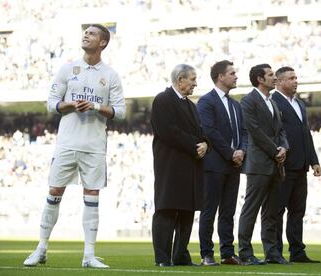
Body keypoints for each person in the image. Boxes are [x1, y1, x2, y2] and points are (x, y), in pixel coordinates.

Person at [23, 24, 126, 268]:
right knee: (54, 192)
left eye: (91, 33)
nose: (85, 35)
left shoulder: (110, 75)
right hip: (67, 143)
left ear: (102, 42)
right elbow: (51, 104)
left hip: (94, 145)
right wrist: (70, 104)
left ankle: (89, 256)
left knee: (92, 195)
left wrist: (96, 107)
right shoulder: (67, 68)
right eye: (85, 32)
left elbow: (120, 112)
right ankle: (41, 249)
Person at [150, 64, 209, 267]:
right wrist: (195, 146)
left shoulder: (191, 105)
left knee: (187, 210)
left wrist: (205, 144)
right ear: (180, 79)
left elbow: (201, 131)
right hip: (170, 165)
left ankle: (181, 254)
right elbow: (168, 131)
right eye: (192, 79)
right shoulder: (162, 100)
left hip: (191, 165)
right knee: (167, 209)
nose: (195, 83)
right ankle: (162, 257)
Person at [197, 60, 248, 266]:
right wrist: (230, 152)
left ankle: (227, 253)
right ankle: (207, 254)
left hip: (234, 165)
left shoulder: (236, 104)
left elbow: (244, 132)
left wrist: (242, 151)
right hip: (214, 165)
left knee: (228, 211)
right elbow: (209, 131)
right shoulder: (206, 101)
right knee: (209, 210)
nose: (236, 76)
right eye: (232, 73)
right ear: (220, 77)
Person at [238, 64, 289, 265]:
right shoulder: (248, 101)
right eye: (270, 75)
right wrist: (276, 150)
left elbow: (281, 130)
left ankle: (272, 252)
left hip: (275, 163)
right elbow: (255, 131)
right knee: (251, 209)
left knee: (272, 212)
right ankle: (245, 252)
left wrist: (284, 147)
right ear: (260, 79)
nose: (274, 78)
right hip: (259, 164)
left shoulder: (273, 103)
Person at [271, 66, 321, 263]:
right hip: (283, 165)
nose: (295, 81)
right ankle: (275, 251)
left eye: (296, 78)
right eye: (291, 78)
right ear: (280, 82)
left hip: (301, 166)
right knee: (278, 211)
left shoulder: (299, 104)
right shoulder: (273, 101)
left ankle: (297, 252)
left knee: (298, 211)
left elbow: (305, 133)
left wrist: (314, 160)